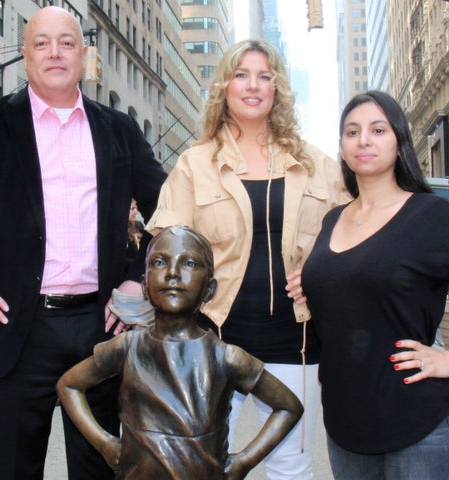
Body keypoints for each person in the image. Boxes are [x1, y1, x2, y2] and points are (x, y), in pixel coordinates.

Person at [0, 6, 167, 479]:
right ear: (24, 54)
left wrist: (139, 280)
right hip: (15, 332)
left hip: (102, 330)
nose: (55, 52)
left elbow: (170, 211)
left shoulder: (120, 130)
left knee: (99, 471)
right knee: (13, 470)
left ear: (83, 54)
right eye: (42, 42)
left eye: (67, 42)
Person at [143, 39, 348, 479]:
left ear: (278, 89)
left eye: (265, 76)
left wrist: (321, 273)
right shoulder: (194, 164)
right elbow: (166, 248)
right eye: (241, 74)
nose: (253, 85)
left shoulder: (317, 164)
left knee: (290, 462)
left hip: (295, 336)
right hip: (211, 335)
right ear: (224, 86)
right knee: (200, 462)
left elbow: (356, 233)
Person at [302, 90, 449, 479]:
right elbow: (352, 288)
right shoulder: (332, 220)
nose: (364, 140)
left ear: (399, 141)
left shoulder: (430, 214)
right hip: (346, 426)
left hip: (420, 427)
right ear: (342, 146)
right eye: (352, 132)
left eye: (377, 129)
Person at [57, 226, 304, 479]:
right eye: (159, 262)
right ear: (144, 286)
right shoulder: (127, 347)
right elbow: (69, 385)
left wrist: (244, 461)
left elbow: (288, 406)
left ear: (209, 289)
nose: (173, 273)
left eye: (189, 263)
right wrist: (105, 443)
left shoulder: (226, 357)